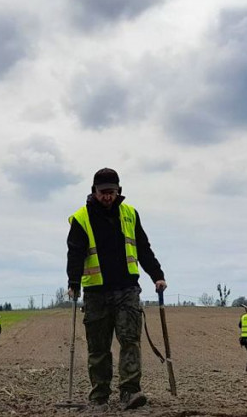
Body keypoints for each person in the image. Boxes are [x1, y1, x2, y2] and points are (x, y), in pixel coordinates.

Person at [67, 167, 167, 410]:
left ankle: (130, 392)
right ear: (94, 191)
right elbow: (75, 254)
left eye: (111, 192)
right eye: (103, 192)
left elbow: (143, 248)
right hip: (95, 294)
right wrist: (74, 283)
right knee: (98, 347)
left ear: (119, 191)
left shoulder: (131, 214)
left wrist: (157, 275)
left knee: (130, 340)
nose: (107, 196)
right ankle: (99, 394)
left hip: (127, 290)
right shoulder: (81, 218)